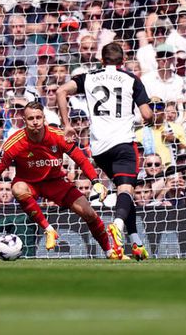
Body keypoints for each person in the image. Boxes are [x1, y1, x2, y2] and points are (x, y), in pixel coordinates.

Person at [0, 102, 117, 258]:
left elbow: (81, 159)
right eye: (31, 119)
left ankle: (110, 251)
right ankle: (48, 230)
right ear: (24, 121)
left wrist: (95, 181)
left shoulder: (58, 136)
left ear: (44, 118)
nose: (35, 122)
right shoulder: (14, 142)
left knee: (89, 213)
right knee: (17, 189)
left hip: (56, 182)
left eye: (38, 118)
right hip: (29, 183)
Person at [56, 42, 154, 260]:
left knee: (123, 192)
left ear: (102, 60)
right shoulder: (131, 79)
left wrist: (67, 125)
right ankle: (117, 225)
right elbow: (147, 115)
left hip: (99, 149)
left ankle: (136, 243)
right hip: (123, 144)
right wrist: (154, 119)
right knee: (127, 190)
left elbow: (61, 91)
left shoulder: (88, 77)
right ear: (123, 61)